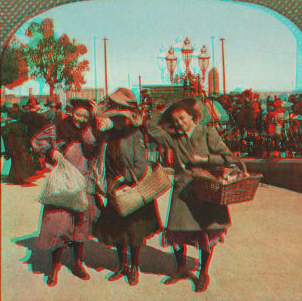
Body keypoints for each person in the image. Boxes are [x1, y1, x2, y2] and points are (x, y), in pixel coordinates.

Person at [144, 97, 241, 292]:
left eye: (182, 117)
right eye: (175, 120)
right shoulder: (174, 137)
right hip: (183, 190)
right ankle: (180, 268)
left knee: (206, 232)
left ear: (191, 116)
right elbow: (152, 129)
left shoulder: (207, 133)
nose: (179, 122)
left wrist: (205, 159)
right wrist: (161, 111)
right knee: (177, 230)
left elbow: (229, 158)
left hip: (207, 190)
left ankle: (203, 272)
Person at [31, 97, 111, 286]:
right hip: (63, 183)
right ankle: (52, 268)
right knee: (58, 224)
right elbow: (36, 141)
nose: (81, 119)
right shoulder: (57, 127)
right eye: (78, 114)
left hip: (82, 183)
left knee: (80, 226)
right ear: (71, 112)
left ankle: (76, 264)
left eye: (85, 116)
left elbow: (99, 147)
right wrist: (51, 151)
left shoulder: (90, 130)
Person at [94, 88, 160, 286]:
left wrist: (123, 179)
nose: (117, 119)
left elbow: (141, 165)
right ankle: (121, 265)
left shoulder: (135, 134)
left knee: (133, 233)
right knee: (117, 232)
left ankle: (133, 268)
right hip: (113, 190)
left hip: (132, 189)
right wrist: (107, 184)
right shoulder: (107, 134)